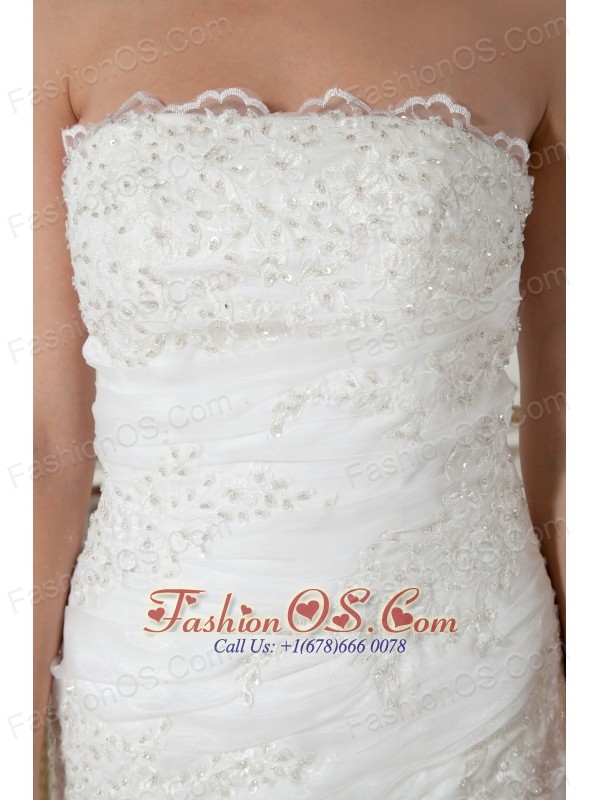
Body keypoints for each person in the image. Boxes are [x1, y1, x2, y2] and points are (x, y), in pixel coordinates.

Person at [34, 0, 566, 797]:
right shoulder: (54, 25)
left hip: (461, 693)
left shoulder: (543, 25)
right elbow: (43, 446)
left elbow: (570, 430)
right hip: (155, 698)